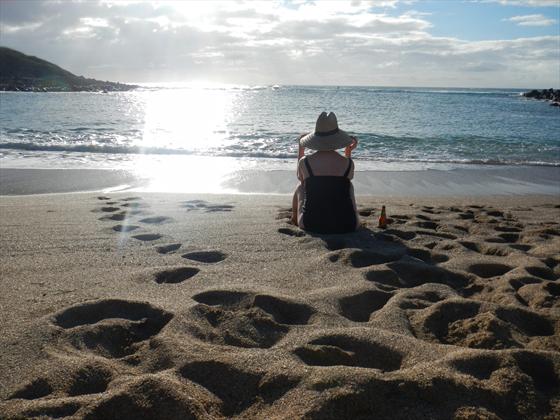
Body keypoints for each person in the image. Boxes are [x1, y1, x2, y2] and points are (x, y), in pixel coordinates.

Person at [292, 111, 360, 233]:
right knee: (348, 185)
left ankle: (294, 219)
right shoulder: (348, 163)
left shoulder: (305, 162)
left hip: (311, 223)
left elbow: (300, 178)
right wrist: (348, 152)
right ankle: (354, 216)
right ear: (337, 139)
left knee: (300, 187)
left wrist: (301, 147)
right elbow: (342, 180)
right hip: (348, 225)